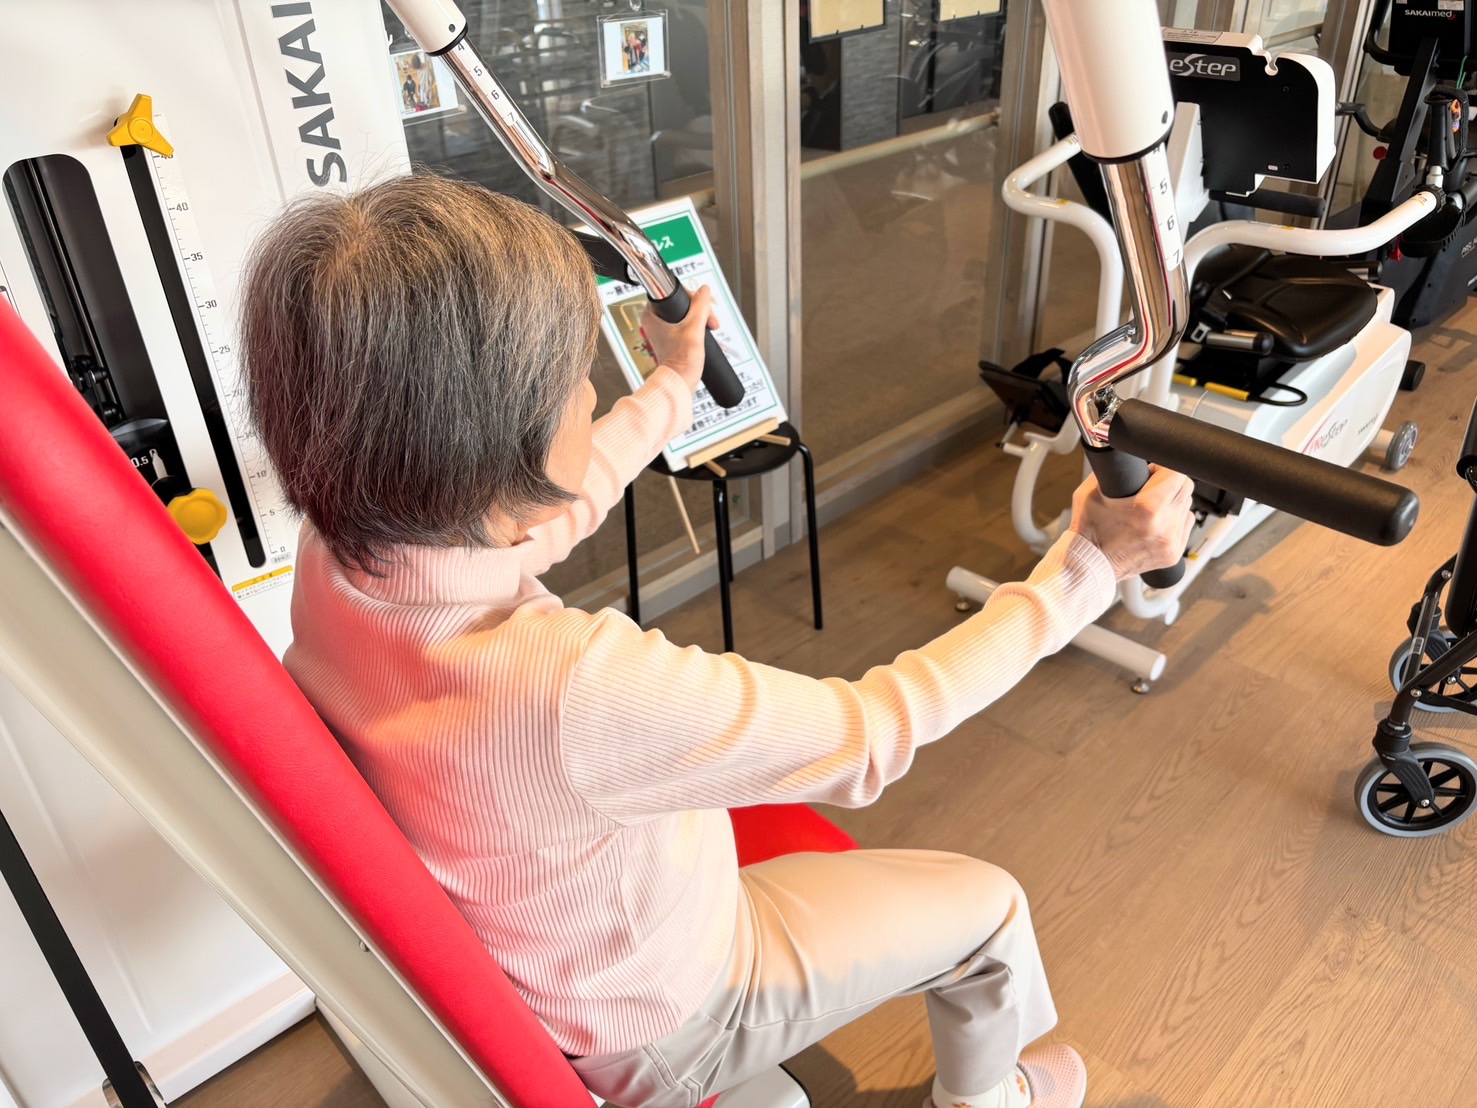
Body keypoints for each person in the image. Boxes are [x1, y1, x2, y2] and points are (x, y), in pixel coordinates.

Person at [239, 174, 1194, 1108]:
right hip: (664, 1019)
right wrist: (1088, 567)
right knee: (990, 912)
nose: (587, 395)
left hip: (552, 951)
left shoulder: (345, 554)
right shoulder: (563, 684)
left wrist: (672, 385)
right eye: (573, 382)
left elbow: (544, 511)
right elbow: (870, 735)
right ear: (499, 446)